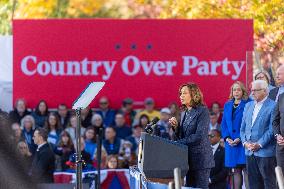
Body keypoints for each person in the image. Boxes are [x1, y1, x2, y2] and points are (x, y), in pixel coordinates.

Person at [169, 82, 214, 188]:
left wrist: (177, 143)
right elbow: (182, 136)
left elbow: (199, 136)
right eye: (180, 93)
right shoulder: (184, 112)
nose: (181, 96)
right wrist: (176, 128)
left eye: (185, 93)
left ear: (193, 94)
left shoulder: (202, 111)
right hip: (188, 160)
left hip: (201, 160)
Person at [240, 80, 277, 189]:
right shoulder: (248, 106)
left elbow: (272, 129)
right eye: (251, 90)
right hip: (249, 152)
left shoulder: (273, 106)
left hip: (266, 153)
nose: (252, 93)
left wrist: (259, 144)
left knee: (268, 184)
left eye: (255, 90)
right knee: (253, 184)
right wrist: (245, 143)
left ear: (265, 91)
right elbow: (242, 129)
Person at [221, 81, 250, 189]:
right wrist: (227, 138)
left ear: (243, 91)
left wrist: (240, 138)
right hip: (231, 144)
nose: (236, 92)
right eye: (234, 90)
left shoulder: (249, 103)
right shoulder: (227, 105)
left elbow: (249, 124)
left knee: (246, 170)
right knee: (235, 171)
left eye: (238, 89)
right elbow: (224, 124)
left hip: (243, 143)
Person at [272, 92, 284, 171]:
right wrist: (277, 135)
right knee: (281, 178)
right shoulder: (281, 96)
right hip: (281, 146)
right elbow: (275, 120)